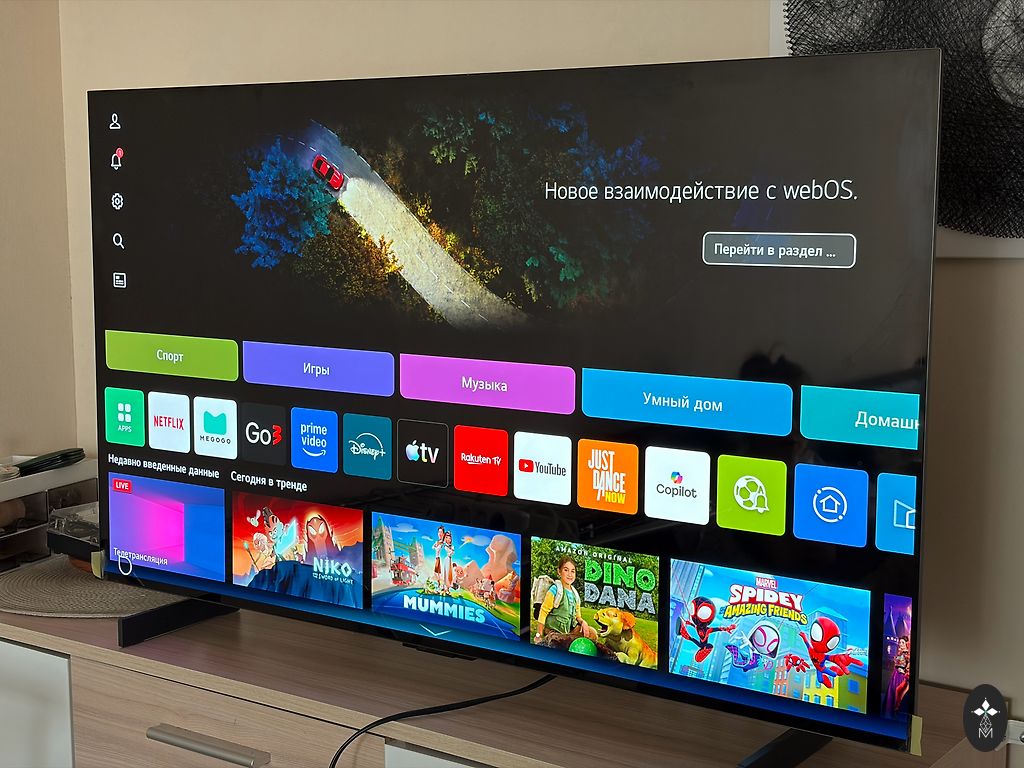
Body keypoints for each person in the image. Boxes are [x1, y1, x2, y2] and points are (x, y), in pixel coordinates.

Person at [534, 555, 596, 642]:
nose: (570, 574)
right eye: (566, 570)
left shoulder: (575, 594)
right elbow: (543, 612)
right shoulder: (555, 590)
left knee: (592, 633)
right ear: (559, 572)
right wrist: (538, 635)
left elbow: (578, 616)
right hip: (553, 631)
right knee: (558, 641)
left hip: (569, 631)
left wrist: (583, 622)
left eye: (572, 571)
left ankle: (569, 639)